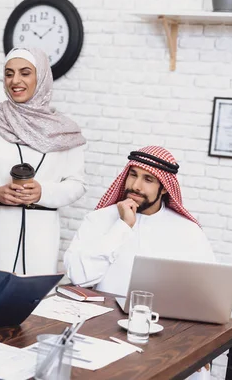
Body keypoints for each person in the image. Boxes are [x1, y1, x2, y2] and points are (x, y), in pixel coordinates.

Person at [63, 146, 215, 380]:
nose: (136, 186)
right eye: (133, 175)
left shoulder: (187, 231)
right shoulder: (99, 220)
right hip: (102, 329)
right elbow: (79, 277)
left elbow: (207, 296)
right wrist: (122, 227)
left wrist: (203, 345)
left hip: (163, 333)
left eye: (148, 179)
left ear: (164, 187)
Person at [0, 47, 87, 276]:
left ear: (41, 76)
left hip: (41, 235)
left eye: (25, 73)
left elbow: (77, 184)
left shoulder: (64, 131)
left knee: (34, 301)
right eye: (9, 73)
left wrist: (41, 192)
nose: (15, 81)